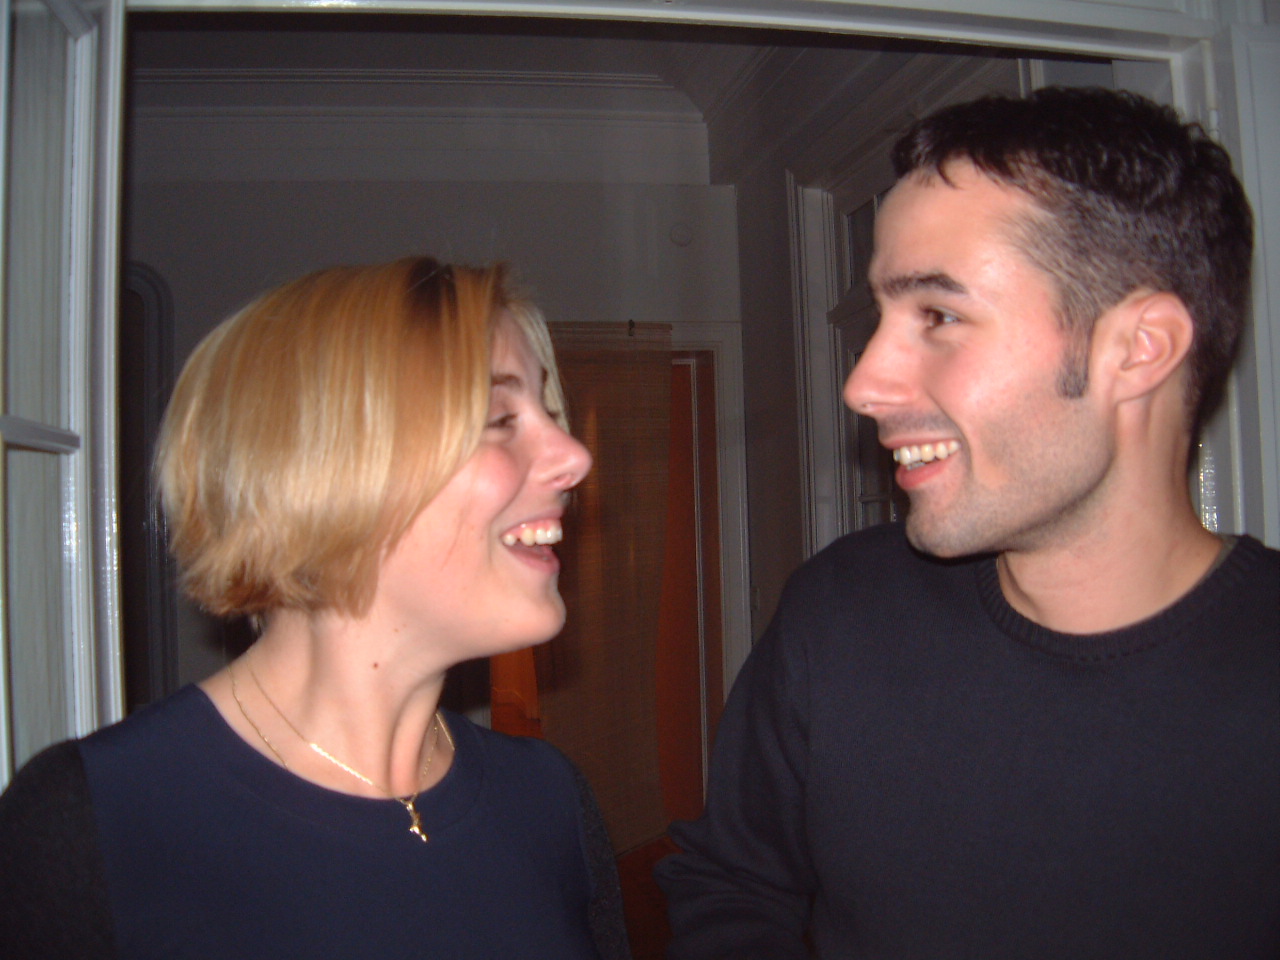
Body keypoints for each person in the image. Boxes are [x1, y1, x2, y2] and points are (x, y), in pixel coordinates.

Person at [656, 87, 1279, 958]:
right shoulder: (841, 614)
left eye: (940, 316)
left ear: (1139, 350)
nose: (863, 385)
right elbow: (732, 885)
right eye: (882, 318)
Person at [0, 256, 631, 959]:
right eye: (498, 418)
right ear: (319, 466)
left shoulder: (548, 800)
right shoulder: (97, 819)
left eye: (549, 412)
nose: (575, 455)